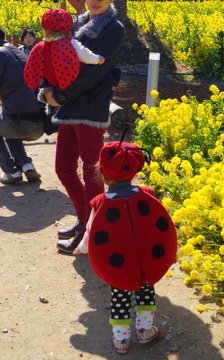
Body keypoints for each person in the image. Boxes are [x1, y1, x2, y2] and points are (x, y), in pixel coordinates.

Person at [73, 139, 178, 354]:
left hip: (119, 266)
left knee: (119, 299)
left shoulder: (100, 203)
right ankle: (145, 331)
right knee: (146, 293)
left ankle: (121, 340)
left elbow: (91, 231)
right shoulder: (148, 194)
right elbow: (160, 227)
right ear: (136, 170)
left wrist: (83, 248)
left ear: (102, 174)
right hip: (147, 262)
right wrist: (170, 252)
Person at [39, 0, 124, 252]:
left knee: (91, 170)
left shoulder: (114, 28)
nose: (95, 1)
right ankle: (84, 220)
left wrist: (61, 96)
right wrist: (46, 90)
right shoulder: (75, 23)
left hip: (90, 106)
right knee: (63, 168)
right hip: (69, 106)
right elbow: (49, 52)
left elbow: (96, 73)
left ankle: (94, 231)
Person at [24, 8, 105, 93]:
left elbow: (32, 65)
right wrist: (97, 59)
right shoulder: (71, 43)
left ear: (45, 29)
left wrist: (32, 83)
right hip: (72, 82)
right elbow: (85, 55)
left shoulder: (40, 46)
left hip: (52, 83)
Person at [0, 27, 43, 184]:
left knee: (7, 121)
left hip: (19, 121)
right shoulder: (16, 51)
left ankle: (11, 171)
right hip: (39, 121)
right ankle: (26, 165)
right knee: (7, 125)